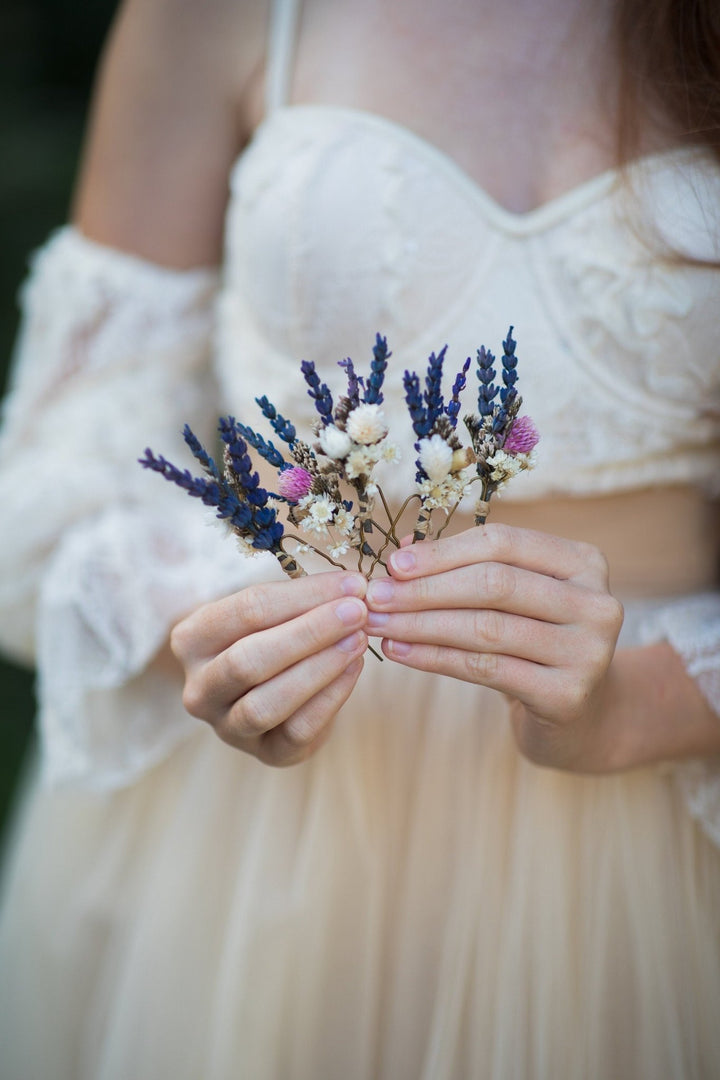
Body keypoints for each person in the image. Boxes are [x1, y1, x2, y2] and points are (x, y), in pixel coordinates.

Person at [1, 0, 719, 1075]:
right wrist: (206, 631)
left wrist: (643, 705)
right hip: (250, 836)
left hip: (660, 821)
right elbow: (58, 470)